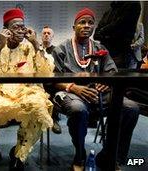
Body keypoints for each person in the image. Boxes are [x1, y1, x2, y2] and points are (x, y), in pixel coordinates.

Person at [52, 8, 139, 171]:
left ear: (94, 27)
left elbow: (112, 72)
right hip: (70, 92)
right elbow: (52, 81)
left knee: (131, 108)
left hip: (99, 93)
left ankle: (110, 156)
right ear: (74, 27)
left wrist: (108, 82)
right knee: (78, 110)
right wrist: (74, 87)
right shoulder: (61, 49)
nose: (86, 26)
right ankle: (79, 156)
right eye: (82, 22)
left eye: (90, 23)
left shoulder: (101, 48)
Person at [0, 8, 54, 171]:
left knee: (38, 109)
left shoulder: (30, 47)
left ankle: (19, 155)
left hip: (28, 92)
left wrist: (36, 44)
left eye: (22, 26)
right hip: (1, 93)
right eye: (16, 27)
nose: (21, 30)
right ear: (6, 30)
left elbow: (46, 71)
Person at [93, 1, 141, 69]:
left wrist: (103, 32)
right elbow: (96, 35)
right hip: (105, 54)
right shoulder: (109, 11)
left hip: (120, 54)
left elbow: (120, 27)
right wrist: (107, 33)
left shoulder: (133, 4)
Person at [40, 25, 61, 134]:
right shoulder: (36, 48)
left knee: (54, 89)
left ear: (52, 36)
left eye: (49, 33)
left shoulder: (57, 50)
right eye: (44, 33)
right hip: (39, 80)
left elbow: (59, 69)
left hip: (52, 81)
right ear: (41, 36)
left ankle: (54, 119)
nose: (46, 35)